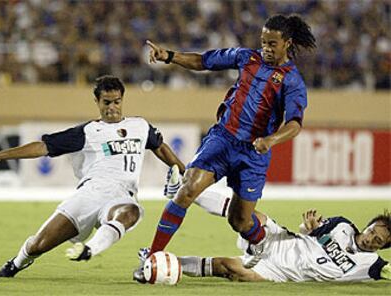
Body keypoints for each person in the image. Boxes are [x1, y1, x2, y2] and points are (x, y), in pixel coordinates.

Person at [134, 14, 317, 282]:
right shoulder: (246, 57)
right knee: (186, 190)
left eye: (272, 44)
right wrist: (169, 56)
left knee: (240, 222)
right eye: (263, 42)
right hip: (223, 138)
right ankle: (152, 255)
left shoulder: (292, 81)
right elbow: (203, 61)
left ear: (287, 43)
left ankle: (264, 242)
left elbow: (295, 123)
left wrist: (270, 140)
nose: (265, 48)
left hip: (254, 153)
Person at [0, 75, 185, 278]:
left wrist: (185, 171)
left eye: (116, 102)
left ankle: (90, 249)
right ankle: (16, 263)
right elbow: (43, 147)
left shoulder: (140, 126)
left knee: (131, 212)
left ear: (123, 99)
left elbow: (160, 147)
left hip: (122, 195)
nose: (112, 107)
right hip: (89, 195)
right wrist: (0, 155)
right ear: (96, 101)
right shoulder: (88, 131)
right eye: (106, 102)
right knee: (38, 245)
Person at [171, 209, 391, 282]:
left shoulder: (373, 264)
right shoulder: (342, 225)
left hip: (283, 272)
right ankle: (187, 191)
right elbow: (307, 230)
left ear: (382, 248)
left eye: (377, 241)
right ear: (369, 225)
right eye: (372, 230)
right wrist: (309, 227)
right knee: (248, 215)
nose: (370, 239)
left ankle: (168, 264)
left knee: (228, 267)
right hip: (285, 244)